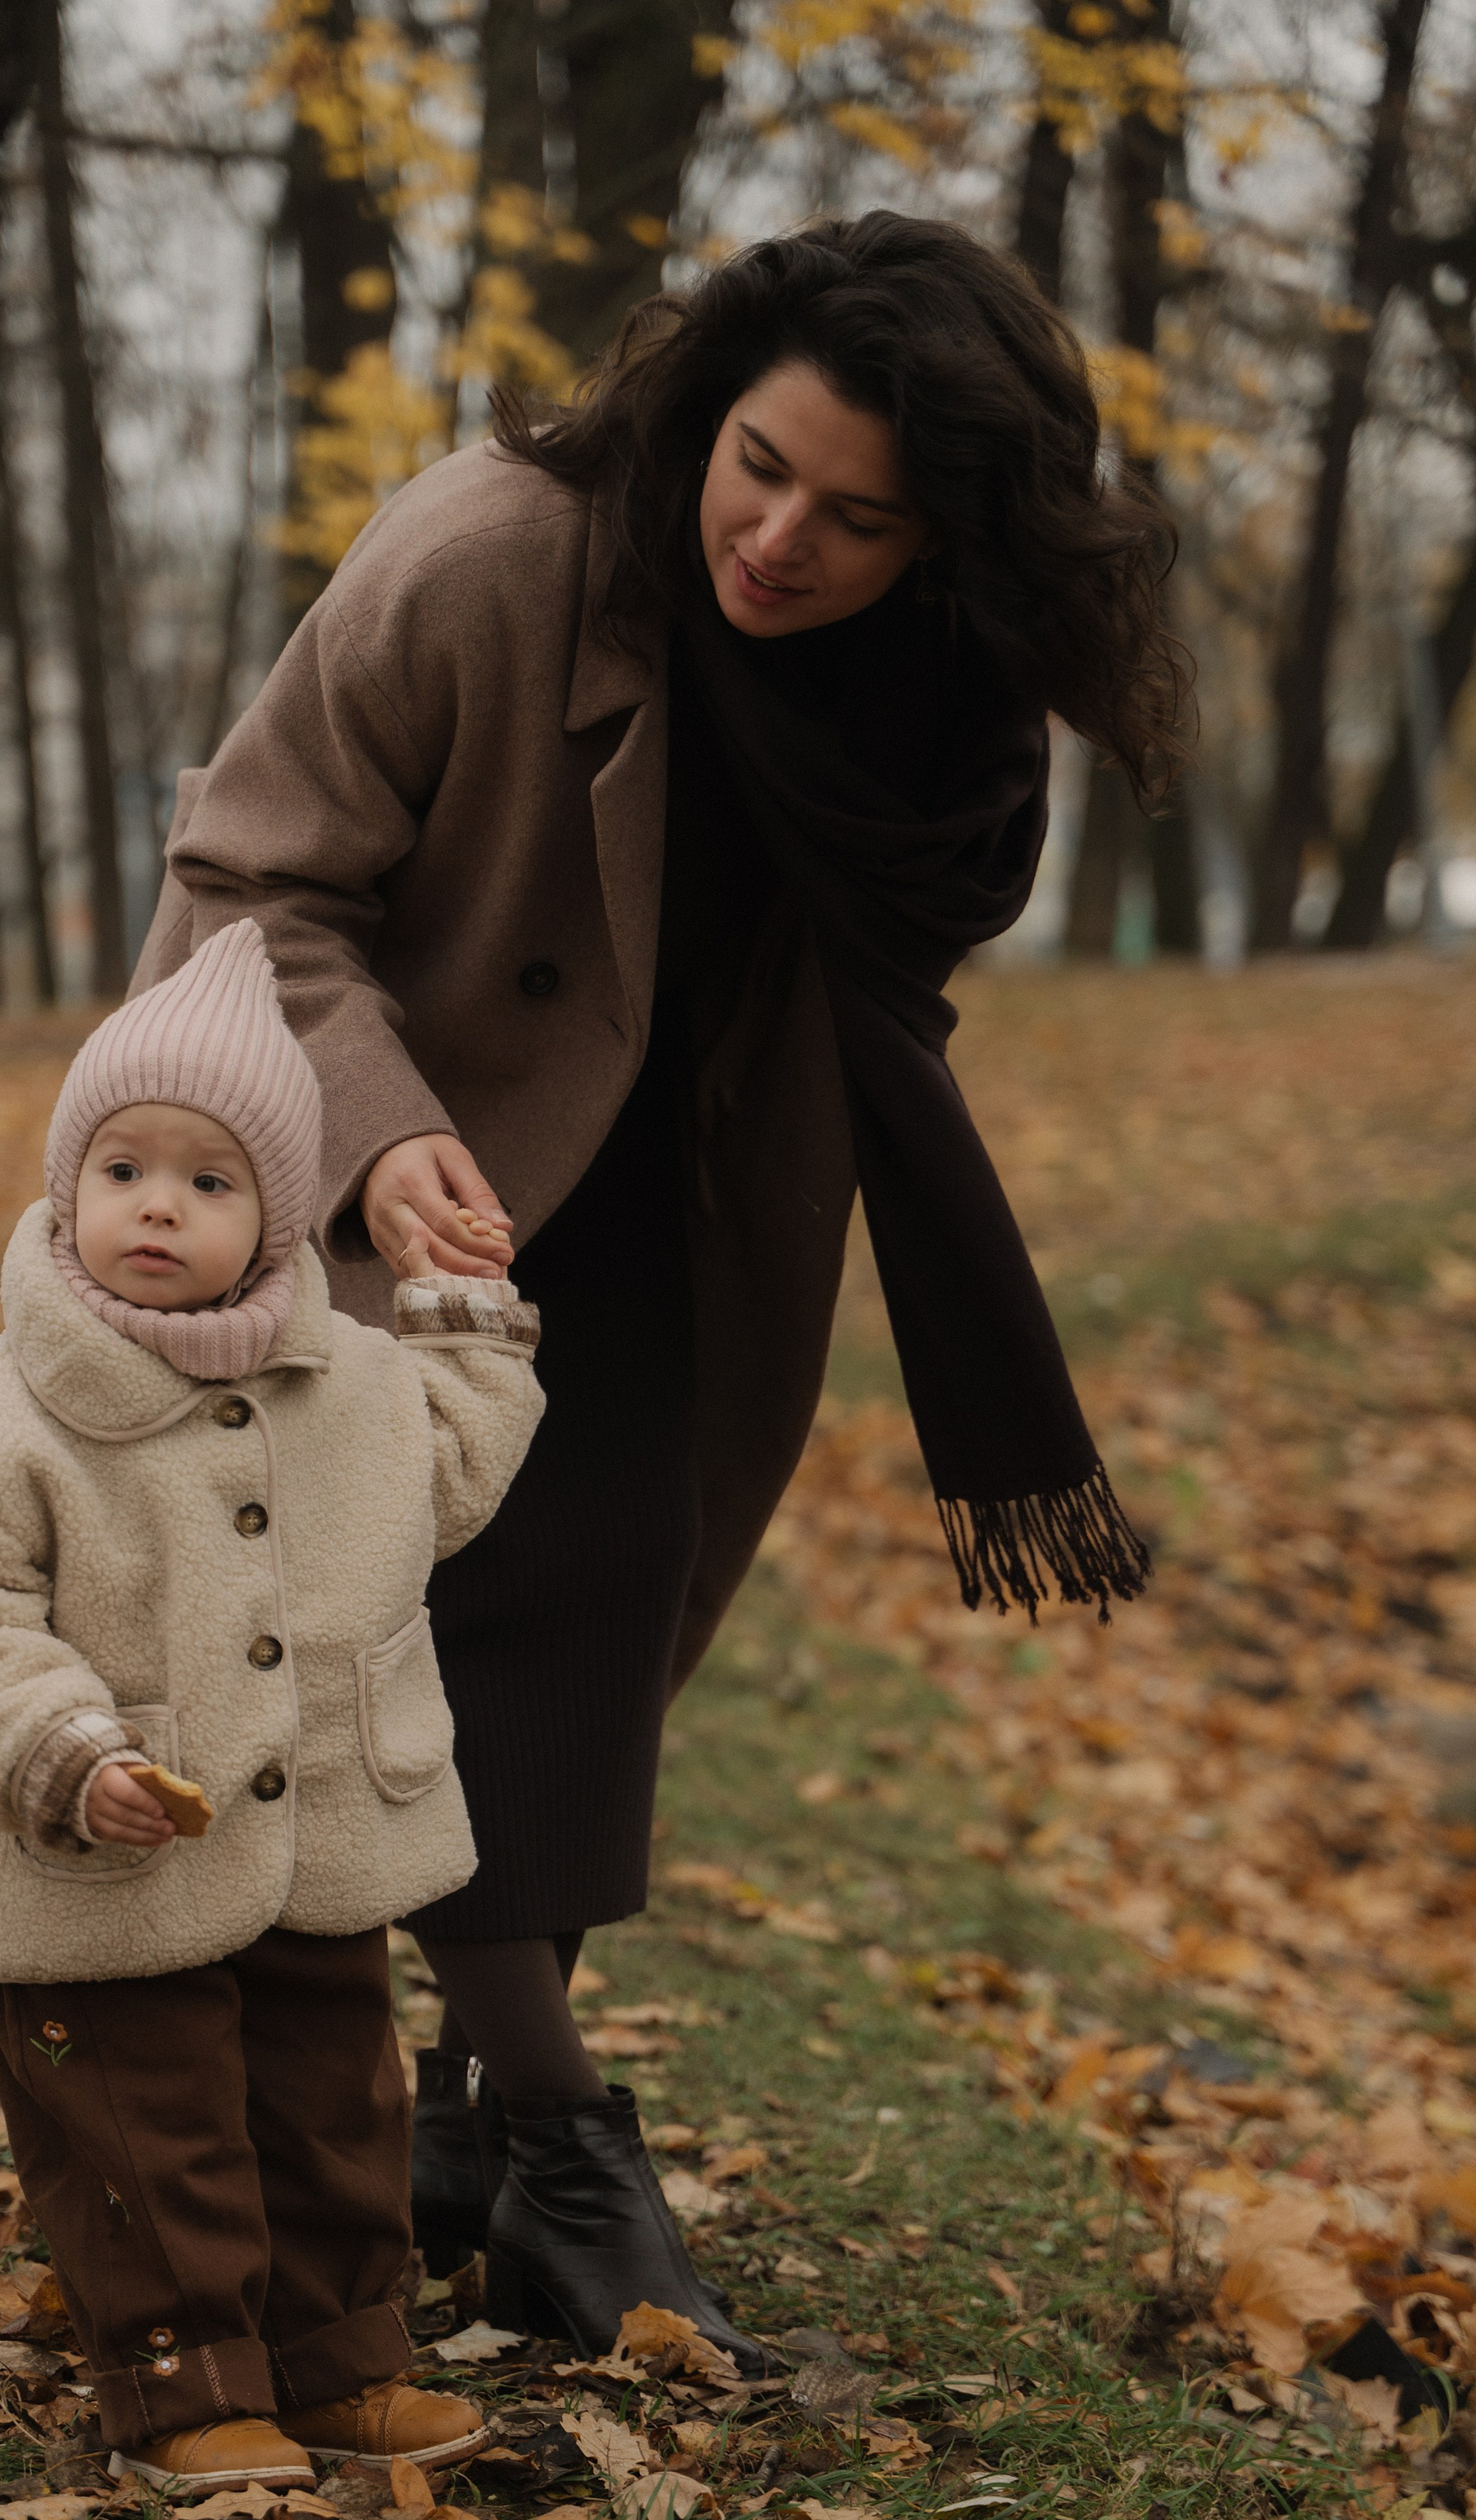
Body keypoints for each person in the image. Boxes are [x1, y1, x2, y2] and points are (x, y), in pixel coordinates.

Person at [130, 210, 1186, 2368]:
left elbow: (931, 906)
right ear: (704, 407)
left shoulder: (941, 684)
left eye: (861, 518)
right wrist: (382, 1117)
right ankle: (574, 2158)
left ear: (952, 543)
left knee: (593, 1660)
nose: (783, 538)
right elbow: (251, 878)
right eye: (759, 467)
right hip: (407, 1175)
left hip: (699, 1185)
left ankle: (455, 2148)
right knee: (490, 1641)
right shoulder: (489, 554)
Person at [0, 922, 544, 2490]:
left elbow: (440, 1475)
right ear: (65, 1188)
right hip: (108, 1853)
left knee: (331, 2105)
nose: (158, 1204)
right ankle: (179, 2382)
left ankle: (335, 2355)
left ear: (281, 1218)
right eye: (122, 1168)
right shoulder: (12, 1408)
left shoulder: (344, 1378)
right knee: (144, 2128)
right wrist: (57, 1744)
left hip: (311, 1838)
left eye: (210, 1180)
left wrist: (459, 1322)